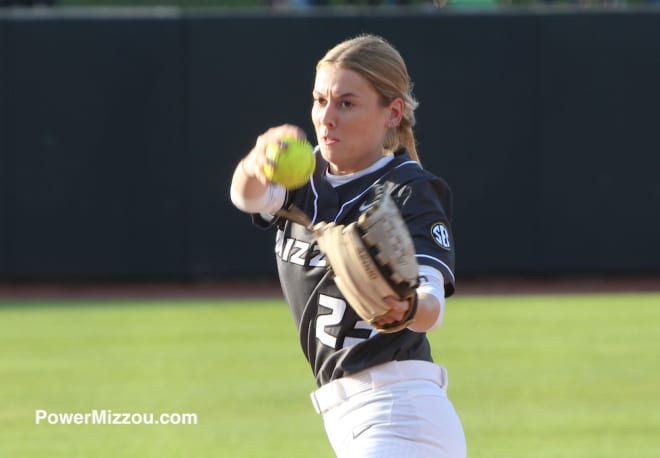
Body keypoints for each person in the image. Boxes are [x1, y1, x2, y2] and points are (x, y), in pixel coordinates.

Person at [230, 34, 466, 458]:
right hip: (350, 419)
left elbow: (432, 307)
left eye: (347, 103)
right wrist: (255, 160)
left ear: (392, 113)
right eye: (320, 100)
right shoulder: (306, 178)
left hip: (400, 414)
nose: (327, 117)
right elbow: (246, 196)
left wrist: (408, 308)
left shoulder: (410, 190)